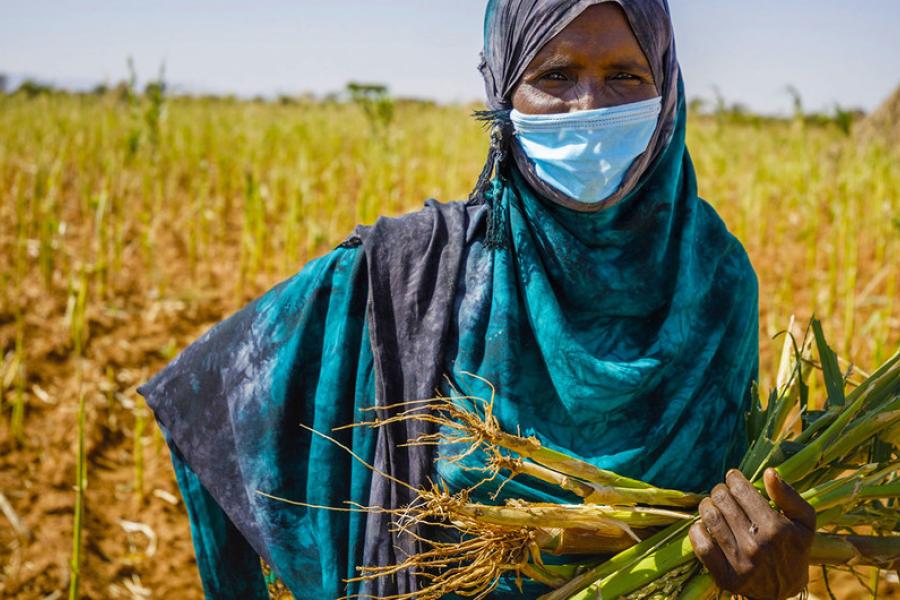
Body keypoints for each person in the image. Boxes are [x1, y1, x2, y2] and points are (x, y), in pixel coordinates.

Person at [139, 1, 816, 599]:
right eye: (555, 75)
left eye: (624, 75)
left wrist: (768, 575)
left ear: (666, 88)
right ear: (503, 94)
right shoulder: (412, 275)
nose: (590, 106)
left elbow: (723, 515)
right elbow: (210, 398)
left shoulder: (716, 283)